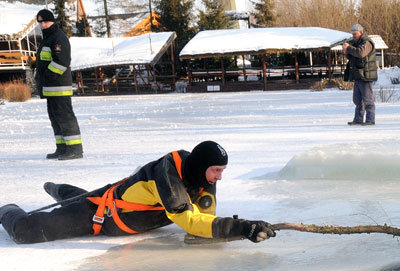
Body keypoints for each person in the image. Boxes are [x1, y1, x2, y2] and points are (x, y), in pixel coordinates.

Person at [0, 141, 275, 245]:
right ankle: (6, 208)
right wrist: (240, 226)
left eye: (221, 171)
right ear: (203, 166)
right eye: (216, 170)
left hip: (121, 208)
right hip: (103, 216)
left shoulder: (202, 174)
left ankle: (61, 190)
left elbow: (202, 224)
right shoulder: (169, 174)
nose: (219, 177)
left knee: (84, 197)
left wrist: (245, 230)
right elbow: (188, 220)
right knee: (25, 232)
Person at [35, 9, 83, 160]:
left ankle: (75, 149)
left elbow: (61, 62)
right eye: (41, 22)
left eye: (46, 22)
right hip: (50, 88)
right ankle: (62, 148)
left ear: (53, 21)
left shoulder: (58, 37)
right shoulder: (48, 38)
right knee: (55, 119)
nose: (43, 25)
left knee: (65, 118)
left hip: (58, 87)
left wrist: (47, 76)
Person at [342, 23, 377, 126]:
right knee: (357, 100)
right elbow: (353, 57)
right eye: (352, 34)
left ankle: (370, 120)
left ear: (361, 32)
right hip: (358, 75)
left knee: (367, 100)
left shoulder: (367, 43)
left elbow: (360, 53)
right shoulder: (356, 43)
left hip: (365, 75)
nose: (353, 36)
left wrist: (348, 48)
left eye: (355, 34)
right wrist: (346, 52)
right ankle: (358, 119)